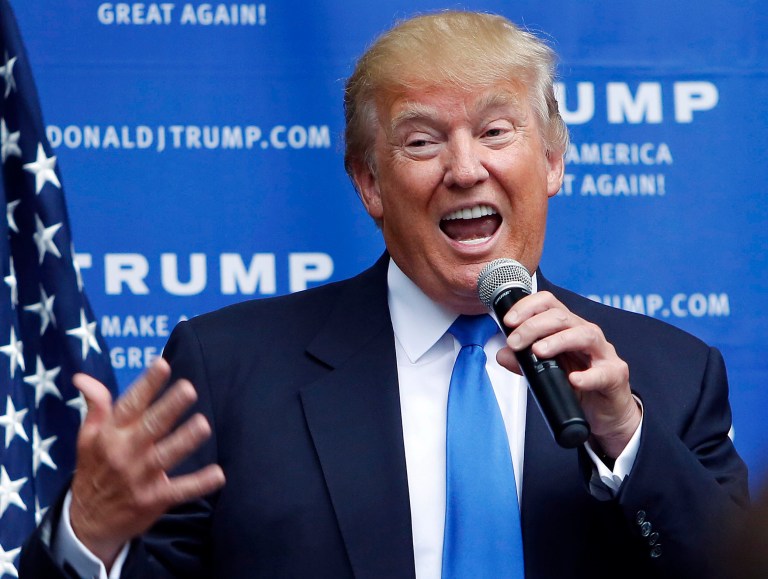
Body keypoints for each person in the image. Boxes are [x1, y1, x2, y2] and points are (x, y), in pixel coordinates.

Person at [20, 10, 748, 579]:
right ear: (369, 182)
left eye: (496, 130)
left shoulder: (670, 378)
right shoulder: (228, 369)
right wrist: (91, 531)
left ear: (553, 160)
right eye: (422, 140)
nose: (465, 169)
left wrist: (624, 434)